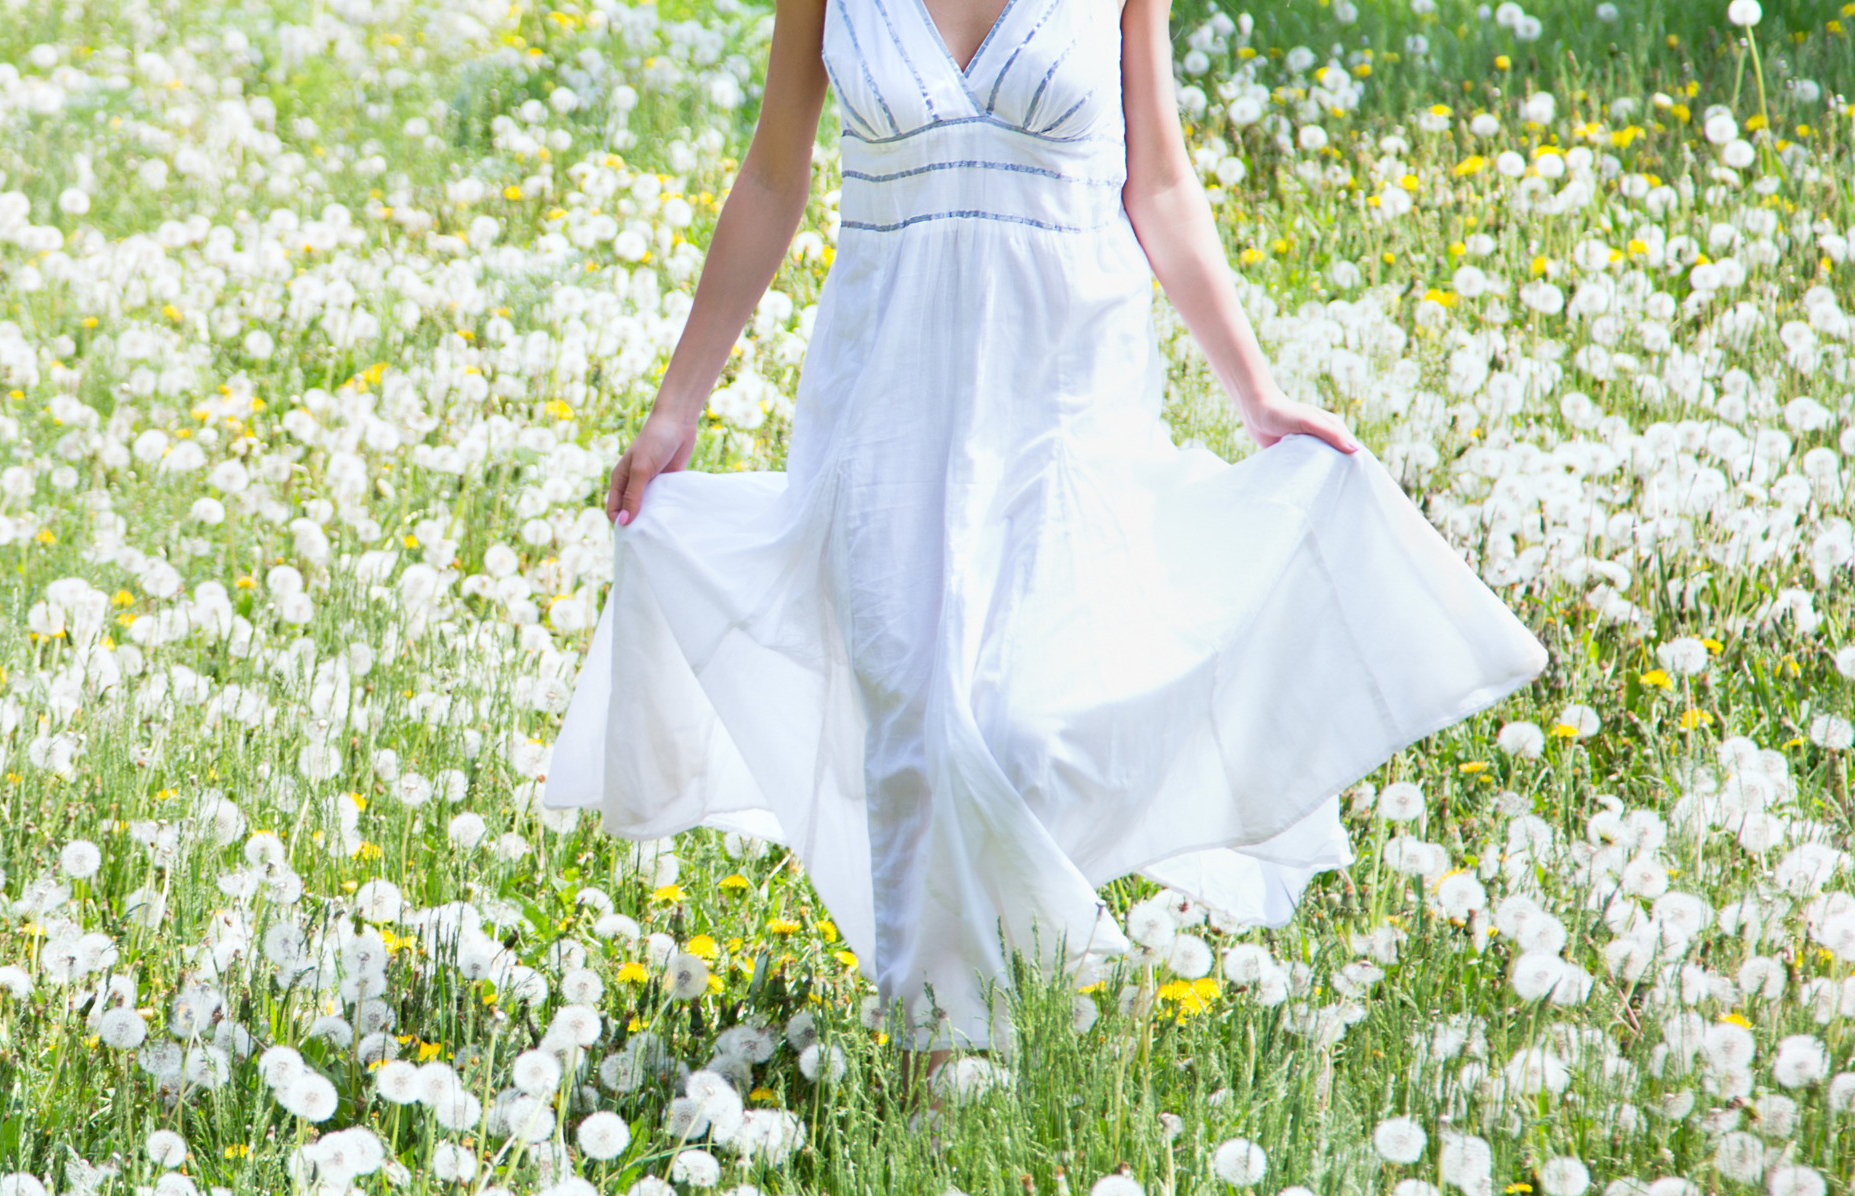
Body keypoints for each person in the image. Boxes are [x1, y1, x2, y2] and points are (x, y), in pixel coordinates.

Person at [537, 0, 1549, 1062]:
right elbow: (770, 181)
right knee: (912, 740)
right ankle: (942, 1072)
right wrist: (673, 407)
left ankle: (1052, 1008)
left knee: (1027, 730)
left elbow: (1155, 184)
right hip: (882, 408)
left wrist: (1256, 394)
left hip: (1062, 409)